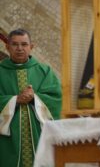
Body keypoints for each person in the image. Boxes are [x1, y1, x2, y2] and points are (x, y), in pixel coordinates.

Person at [0, 29, 62, 167]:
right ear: (7, 47)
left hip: (39, 134)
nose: (20, 49)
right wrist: (15, 100)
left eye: (24, 44)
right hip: (7, 139)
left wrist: (35, 98)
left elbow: (58, 99)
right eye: (15, 44)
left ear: (31, 47)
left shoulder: (44, 71)